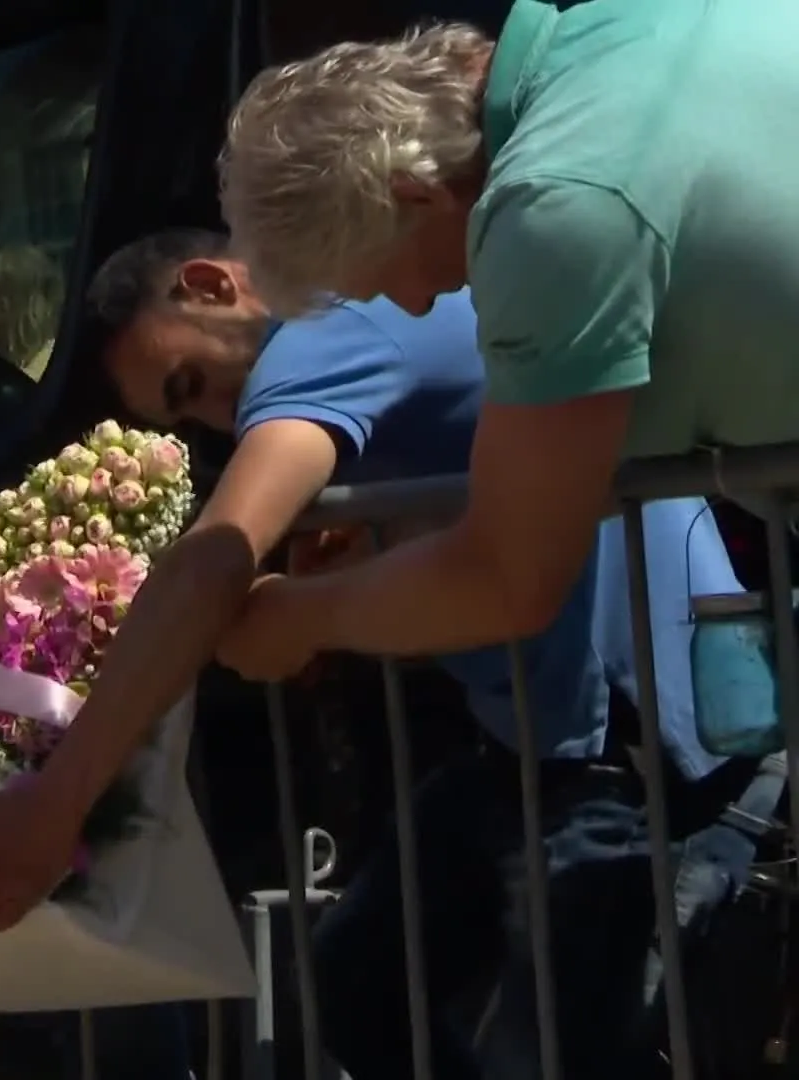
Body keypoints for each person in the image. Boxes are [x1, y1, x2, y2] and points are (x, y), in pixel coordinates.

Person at [0, 231, 767, 1076]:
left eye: (195, 383)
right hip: (542, 743)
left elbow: (216, 557)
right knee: (357, 982)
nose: (222, 418)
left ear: (211, 284)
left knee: (537, 1042)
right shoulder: (375, 316)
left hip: (632, 751)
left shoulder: (318, 338)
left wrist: (56, 805)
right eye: (188, 414)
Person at [198, 7, 799, 680]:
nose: (416, 305)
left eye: (383, 281)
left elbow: (507, 579)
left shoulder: (547, 218)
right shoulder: (632, 22)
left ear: (415, 196)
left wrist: (294, 618)